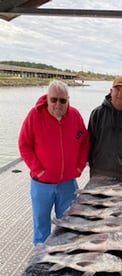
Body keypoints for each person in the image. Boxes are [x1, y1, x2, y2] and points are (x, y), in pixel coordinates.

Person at [18, 79, 90, 245]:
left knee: (68, 223)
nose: (58, 104)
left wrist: (79, 166)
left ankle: (64, 253)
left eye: (63, 100)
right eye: (54, 99)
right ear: (47, 98)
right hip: (41, 183)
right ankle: (40, 258)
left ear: (68, 100)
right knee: (41, 223)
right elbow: (24, 145)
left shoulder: (75, 115)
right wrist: (38, 170)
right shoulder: (34, 116)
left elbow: (85, 141)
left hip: (68, 183)